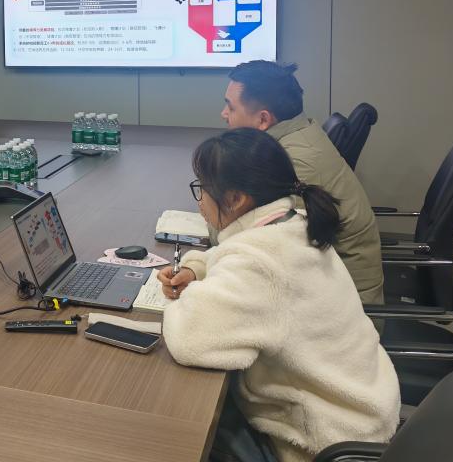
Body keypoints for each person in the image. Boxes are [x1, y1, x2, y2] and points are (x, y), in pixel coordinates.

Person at [158, 128, 399, 462]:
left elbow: (191, 340)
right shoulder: (293, 222)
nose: (199, 202)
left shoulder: (261, 263)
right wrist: (197, 268)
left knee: (177, 426)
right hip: (361, 406)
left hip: (322, 438)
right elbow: (237, 255)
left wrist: (182, 297)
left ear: (235, 199)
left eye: (202, 189)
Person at [220, 60, 383, 305]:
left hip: (341, 312)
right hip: (322, 288)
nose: (223, 114)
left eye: (230, 107)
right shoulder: (299, 133)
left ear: (263, 119)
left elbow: (241, 241)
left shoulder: (293, 162)